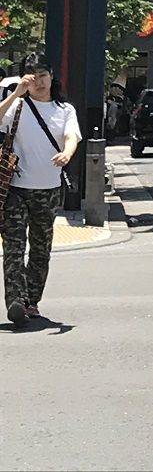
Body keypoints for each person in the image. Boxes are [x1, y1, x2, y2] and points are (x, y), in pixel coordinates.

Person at [0, 53, 81, 327]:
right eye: (33, 77)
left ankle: (31, 299)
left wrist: (67, 153)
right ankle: (16, 301)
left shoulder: (64, 110)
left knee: (40, 249)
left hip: (48, 190)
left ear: (52, 76)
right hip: (15, 189)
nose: (40, 82)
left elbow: (72, 137)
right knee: (13, 246)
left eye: (44, 75)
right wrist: (15, 94)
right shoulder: (18, 107)